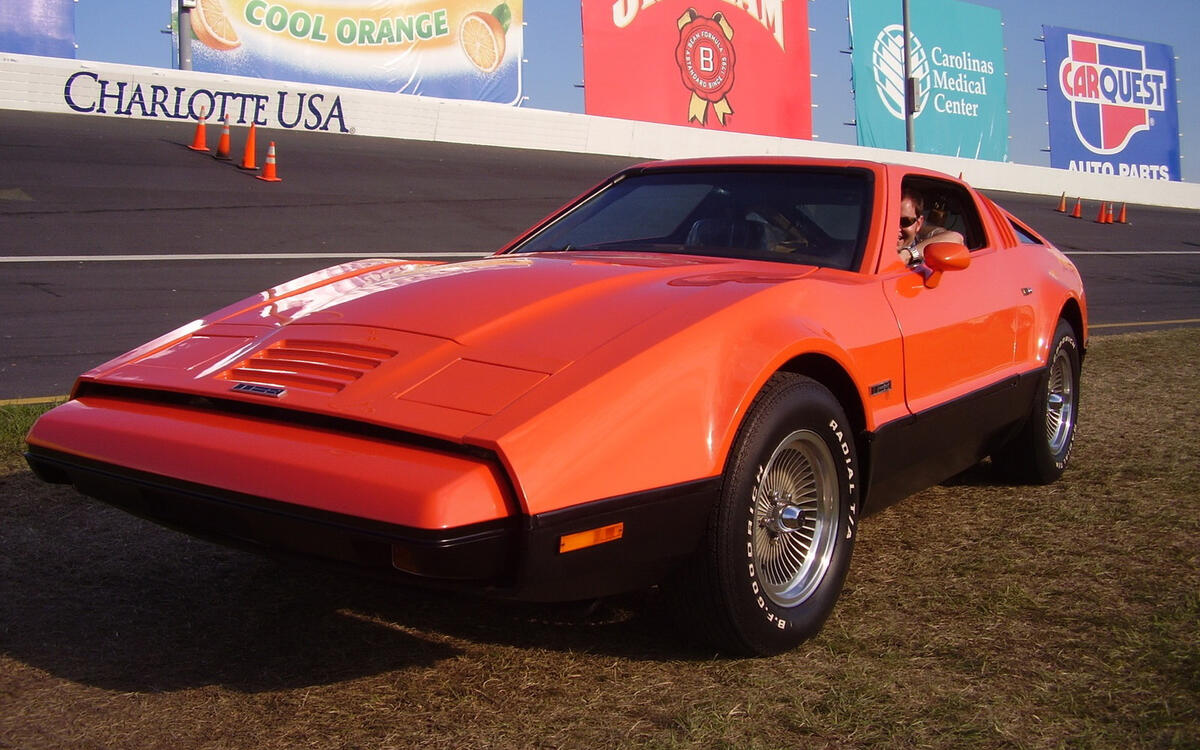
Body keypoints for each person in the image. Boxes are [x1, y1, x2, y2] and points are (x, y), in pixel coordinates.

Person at [897, 187, 963, 265]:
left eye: (905, 221)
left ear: (919, 223)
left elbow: (955, 237)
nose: (897, 229)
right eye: (888, 220)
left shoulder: (920, 240)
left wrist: (909, 255)